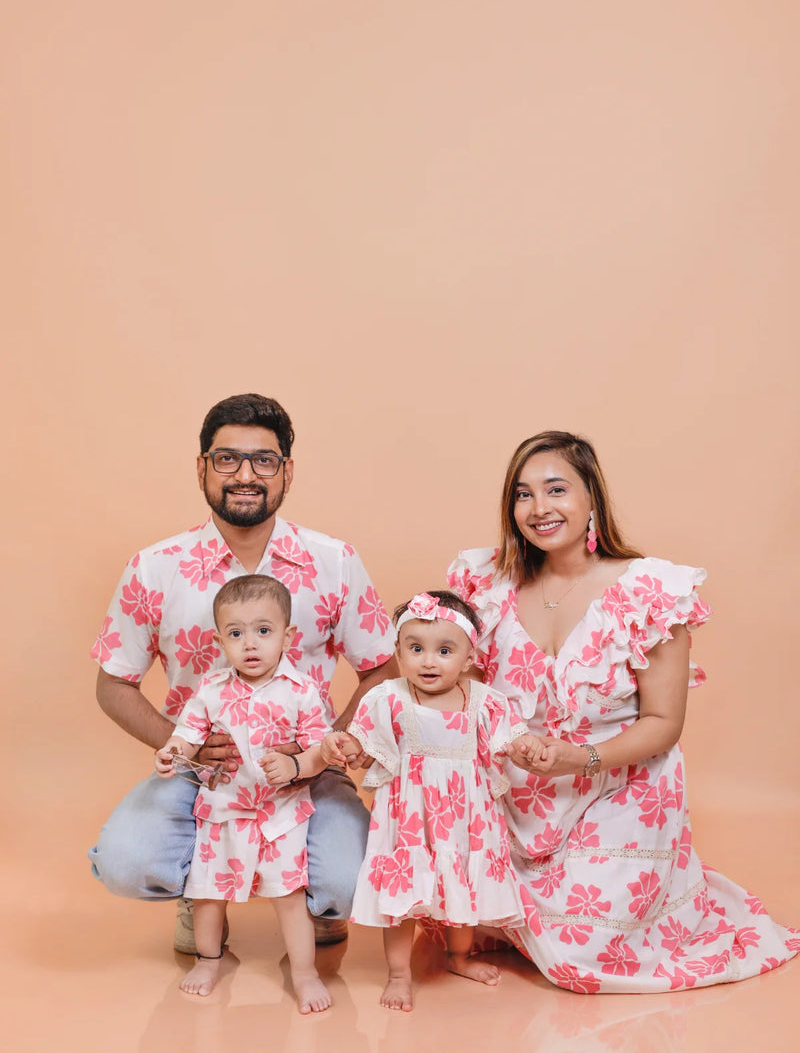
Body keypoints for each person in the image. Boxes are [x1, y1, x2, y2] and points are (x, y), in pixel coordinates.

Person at [447, 430, 800, 992]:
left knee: (581, 956)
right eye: (523, 494)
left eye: (556, 489)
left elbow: (664, 723)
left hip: (619, 789)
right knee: (450, 899)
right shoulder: (487, 585)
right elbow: (457, 691)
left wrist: (579, 758)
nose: (539, 509)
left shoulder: (649, 591)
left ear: (592, 498)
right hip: (518, 794)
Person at [90, 393, 397, 952]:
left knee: (354, 881)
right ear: (202, 467)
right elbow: (112, 684)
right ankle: (200, 892)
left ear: (287, 471)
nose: (246, 475)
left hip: (308, 770)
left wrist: (328, 749)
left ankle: (317, 897)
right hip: (200, 773)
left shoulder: (335, 561)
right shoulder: (155, 567)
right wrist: (182, 745)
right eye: (227, 459)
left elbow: (382, 668)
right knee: (126, 861)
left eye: (265, 460)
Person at [321, 590, 537, 1011]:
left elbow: (510, 736)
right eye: (415, 649)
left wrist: (525, 744)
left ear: (469, 657)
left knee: (463, 889)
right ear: (399, 652)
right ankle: (399, 974)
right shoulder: (388, 698)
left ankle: (459, 956)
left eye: (443, 651)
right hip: (409, 816)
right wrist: (345, 746)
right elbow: (365, 745)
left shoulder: (485, 701)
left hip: (466, 816)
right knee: (402, 898)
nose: (428, 661)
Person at [155, 575, 332, 1010]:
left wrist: (294, 765)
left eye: (263, 631)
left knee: (289, 897)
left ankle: (305, 972)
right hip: (223, 810)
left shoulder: (302, 691)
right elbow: (188, 734)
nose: (250, 644)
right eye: (236, 634)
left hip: (280, 813)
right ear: (220, 641)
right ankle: (208, 960)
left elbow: (320, 749)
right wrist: (171, 753)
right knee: (209, 894)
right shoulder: (213, 689)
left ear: (288, 636)